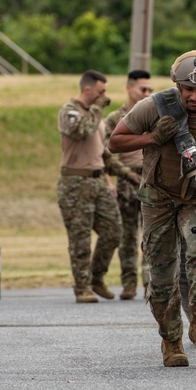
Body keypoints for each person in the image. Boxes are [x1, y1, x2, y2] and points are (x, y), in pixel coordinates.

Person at [108, 51, 196, 367]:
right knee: (161, 276)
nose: (194, 95)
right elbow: (115, 142)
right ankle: (171, 340)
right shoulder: (154, 107)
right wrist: (152, 137)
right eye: (188, 88)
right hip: (158, 200)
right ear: (178, 85)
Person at [57, 70, 122, 304]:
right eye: (100, 91)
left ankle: (96, 277)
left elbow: (100, 151)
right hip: (75, 183)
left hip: (98, 180)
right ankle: (82, 286)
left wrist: (111, 176)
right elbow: (82, 131)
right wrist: (97, 108)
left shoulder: (97, 117)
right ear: (87, 90)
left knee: (114, 231)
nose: (105, 96)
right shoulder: (70, 112)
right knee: (80, 237)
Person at [103, 70, 153, 300]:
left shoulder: (153, 115)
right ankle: (129, 283)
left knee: (151, 234)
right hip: (126, 180)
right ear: (129, 88)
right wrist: (109, 181)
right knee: (127, 236)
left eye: (150, 90)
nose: (147, 93)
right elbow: (103, 154)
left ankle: (150, 283)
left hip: (150, 178)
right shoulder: (115, 118)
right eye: (143, 89)